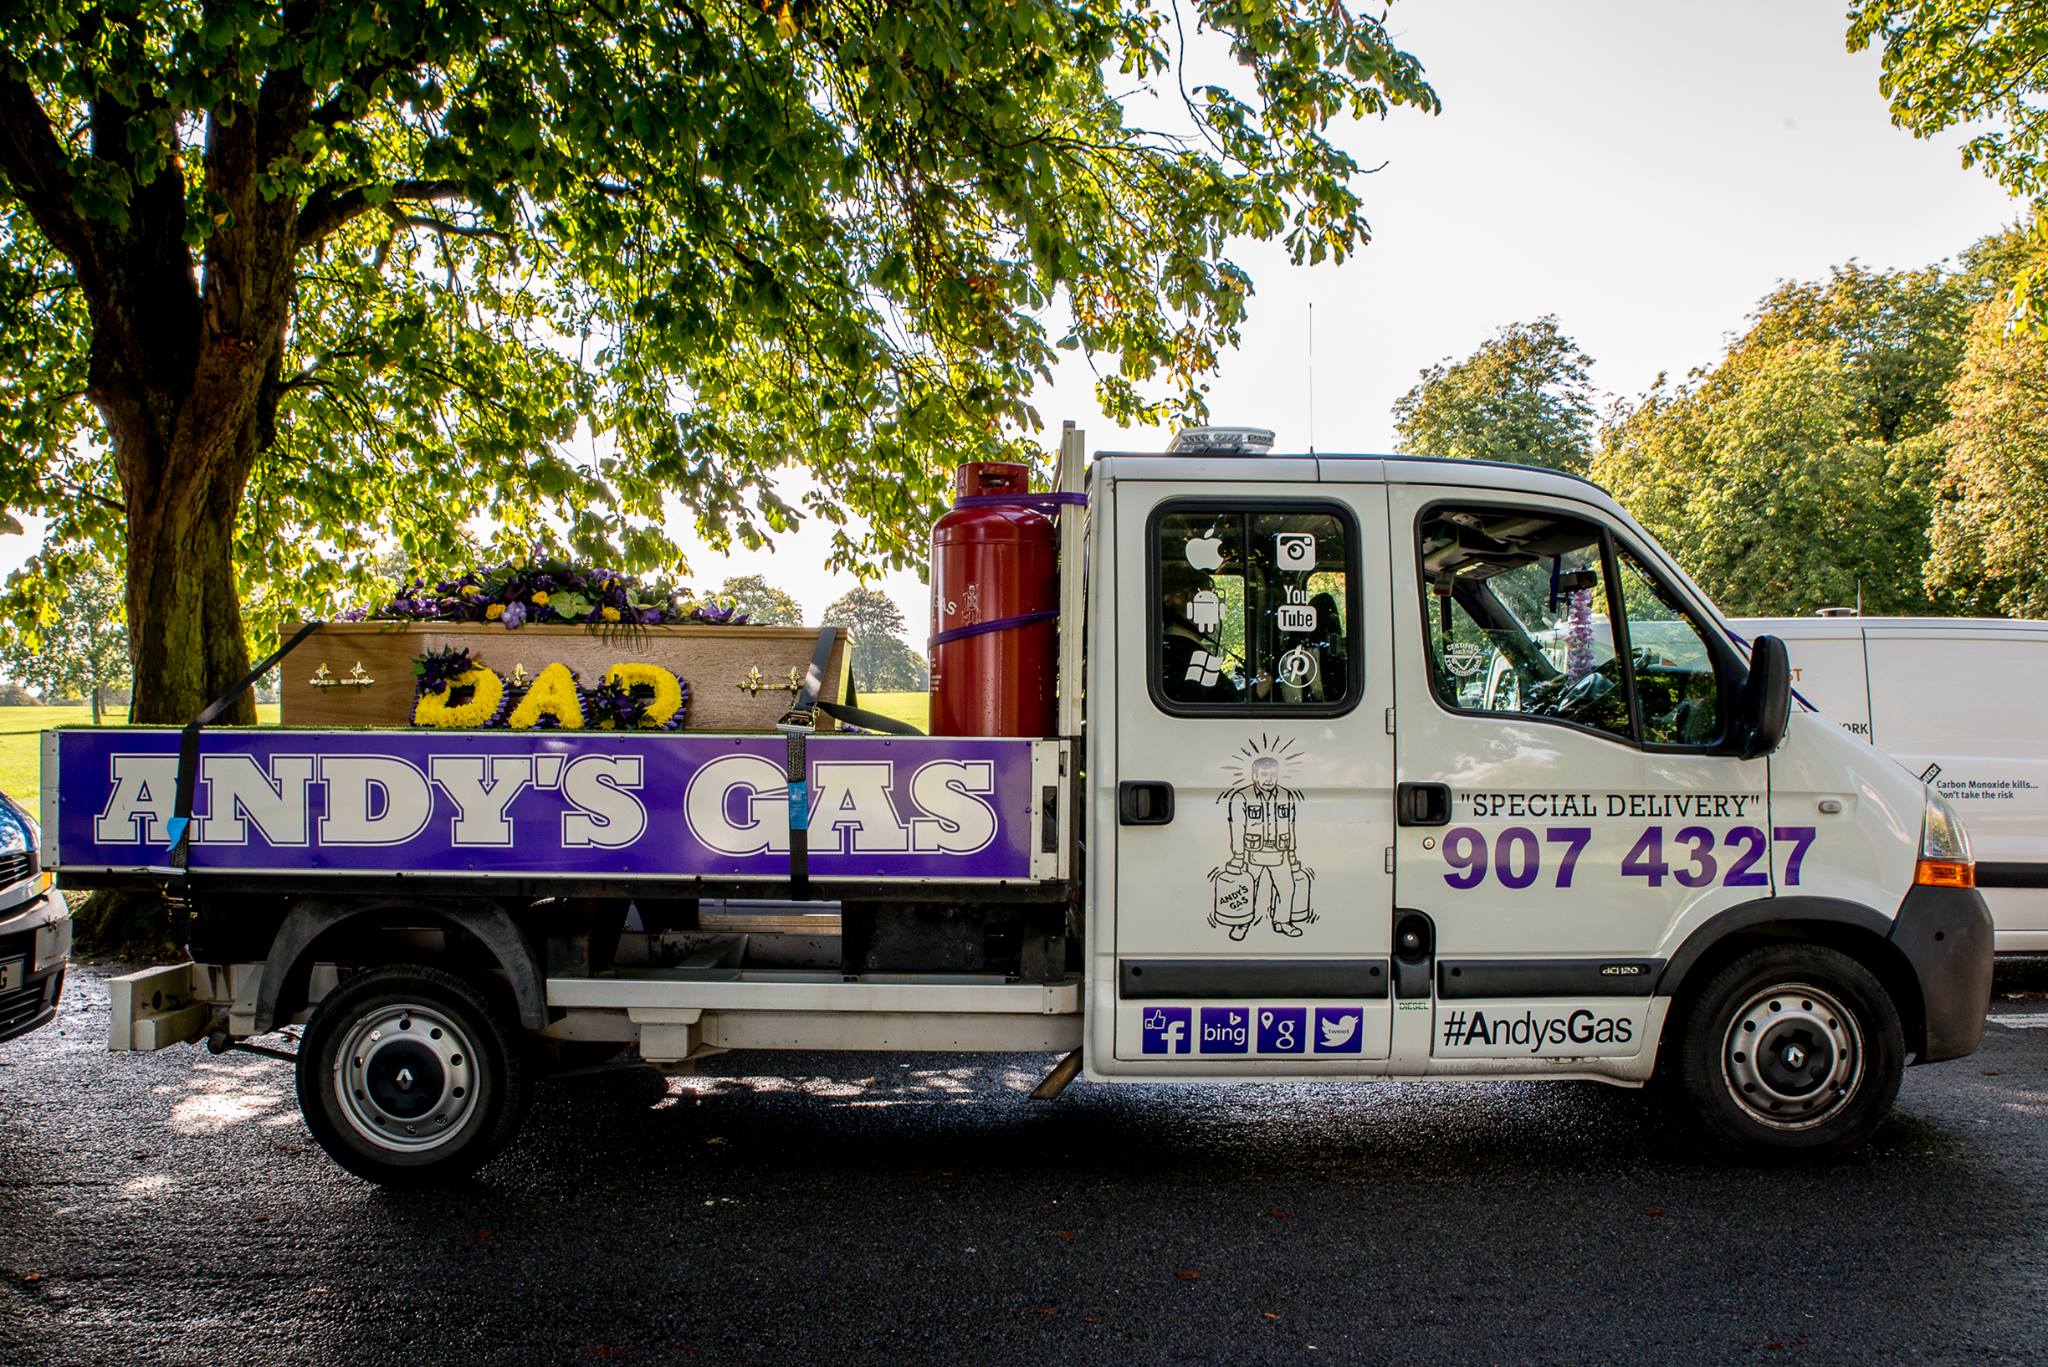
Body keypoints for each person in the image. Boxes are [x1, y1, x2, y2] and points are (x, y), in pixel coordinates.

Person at [1160, 560, 1239, 703]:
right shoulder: (1186, 653)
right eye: (1204, 599)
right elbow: (1225, 704)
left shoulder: (1170, 649)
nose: (1211, 607)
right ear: (1179, 600)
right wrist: (1257, 690)